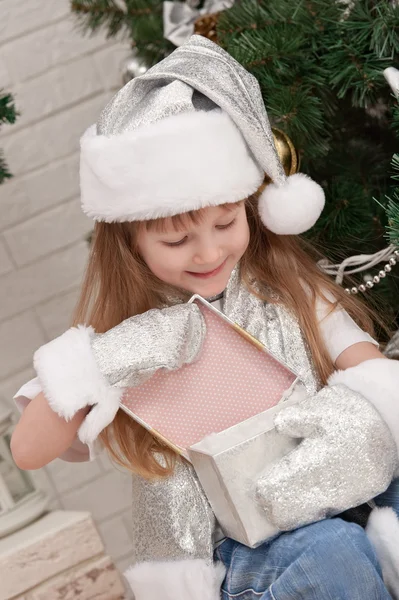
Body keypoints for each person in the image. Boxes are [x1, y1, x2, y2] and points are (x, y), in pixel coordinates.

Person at [10, 36, 399, 600]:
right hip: (233, 552)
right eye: (176, 239)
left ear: (249, 207)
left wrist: (355, 423)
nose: (208, 253)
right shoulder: (135, 340)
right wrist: (109, 357)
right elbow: (27, 451)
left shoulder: (287, 290)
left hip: (337, 492)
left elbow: (377, 382)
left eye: (225, 223)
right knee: (330, 553)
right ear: (130, 242)